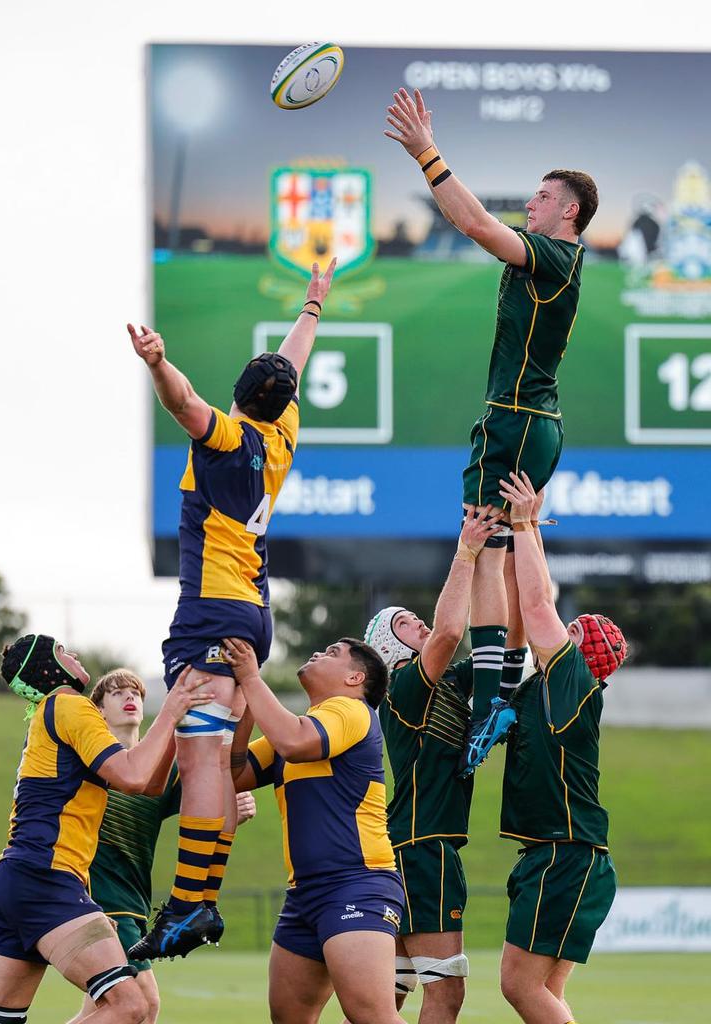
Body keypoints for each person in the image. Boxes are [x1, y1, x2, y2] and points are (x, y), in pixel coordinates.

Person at [385, 87, 599, 774]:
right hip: (540, 424)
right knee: (502, 550)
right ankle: (502, 693)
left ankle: (487, 707)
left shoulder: (553, 255)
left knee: (480, 550)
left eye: (541, 196)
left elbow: (475, 223)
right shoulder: (557, 259)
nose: (530, 204)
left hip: (514, 421)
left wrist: (426, 151)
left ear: (568, 210)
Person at [127, 257, 336, 959]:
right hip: (251, 610)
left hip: (213, 610)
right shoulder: (281, 434)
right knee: (215, 755)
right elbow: (295, 363)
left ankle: (191, 904)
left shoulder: (230, 435)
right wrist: (312, 307)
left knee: (204, 759)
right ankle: (199, 903)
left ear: (240, 396)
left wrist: (158, 363)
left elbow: (183, 403)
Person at [0, 634, 204, 1024]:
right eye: (63, 651)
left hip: (15, 879)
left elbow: (147, 786)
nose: (74, 654)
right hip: (46, 878)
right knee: (132, 1006)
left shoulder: (50, 714)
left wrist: (173, 723)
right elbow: (132, 776)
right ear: (48, 667)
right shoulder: (70, 704)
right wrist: (169, 711)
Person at [496, 471, 626, 1024]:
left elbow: (536, 602)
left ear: (581, 652)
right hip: (564, 854)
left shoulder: (574, 678)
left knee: (520, 987)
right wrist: (529, 531)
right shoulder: (554, 685)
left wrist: (526, 521)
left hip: (564, 855)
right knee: (544, 991)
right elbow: (533, 603)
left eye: (573, 630)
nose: (560, 630)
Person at [223, 634, 406, 1024]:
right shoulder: (305, 726)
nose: (319, 652)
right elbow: (234, 774)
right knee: (289, 1018)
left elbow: (294, 742)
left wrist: (252, 680)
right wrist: (247, 712)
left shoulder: (350, 710)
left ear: (355, 679)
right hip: (304, 894)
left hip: (357, 884)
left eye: (333, 653)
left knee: (372, 1016)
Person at [363, 507, 501, 1022]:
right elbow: (448, 632)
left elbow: (500, 641)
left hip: (411, 843)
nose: (416, 620)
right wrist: (465, 550)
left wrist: (501, 549)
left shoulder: (441, 685)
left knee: (389, 995)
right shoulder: (404, 688)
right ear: (387, 648)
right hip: (424, 847)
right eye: (403, 622)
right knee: (445, 992)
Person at [68, 668, 257, 1024]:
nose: (129, 698)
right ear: (99, 710)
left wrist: (233, 807)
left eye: (136, 693)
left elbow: (207, 798)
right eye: (117, 692)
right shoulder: (90, 759)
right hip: (101, 898)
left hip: (135, 903)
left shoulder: (159, 768)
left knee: (102, 1008)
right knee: (144, 1003)